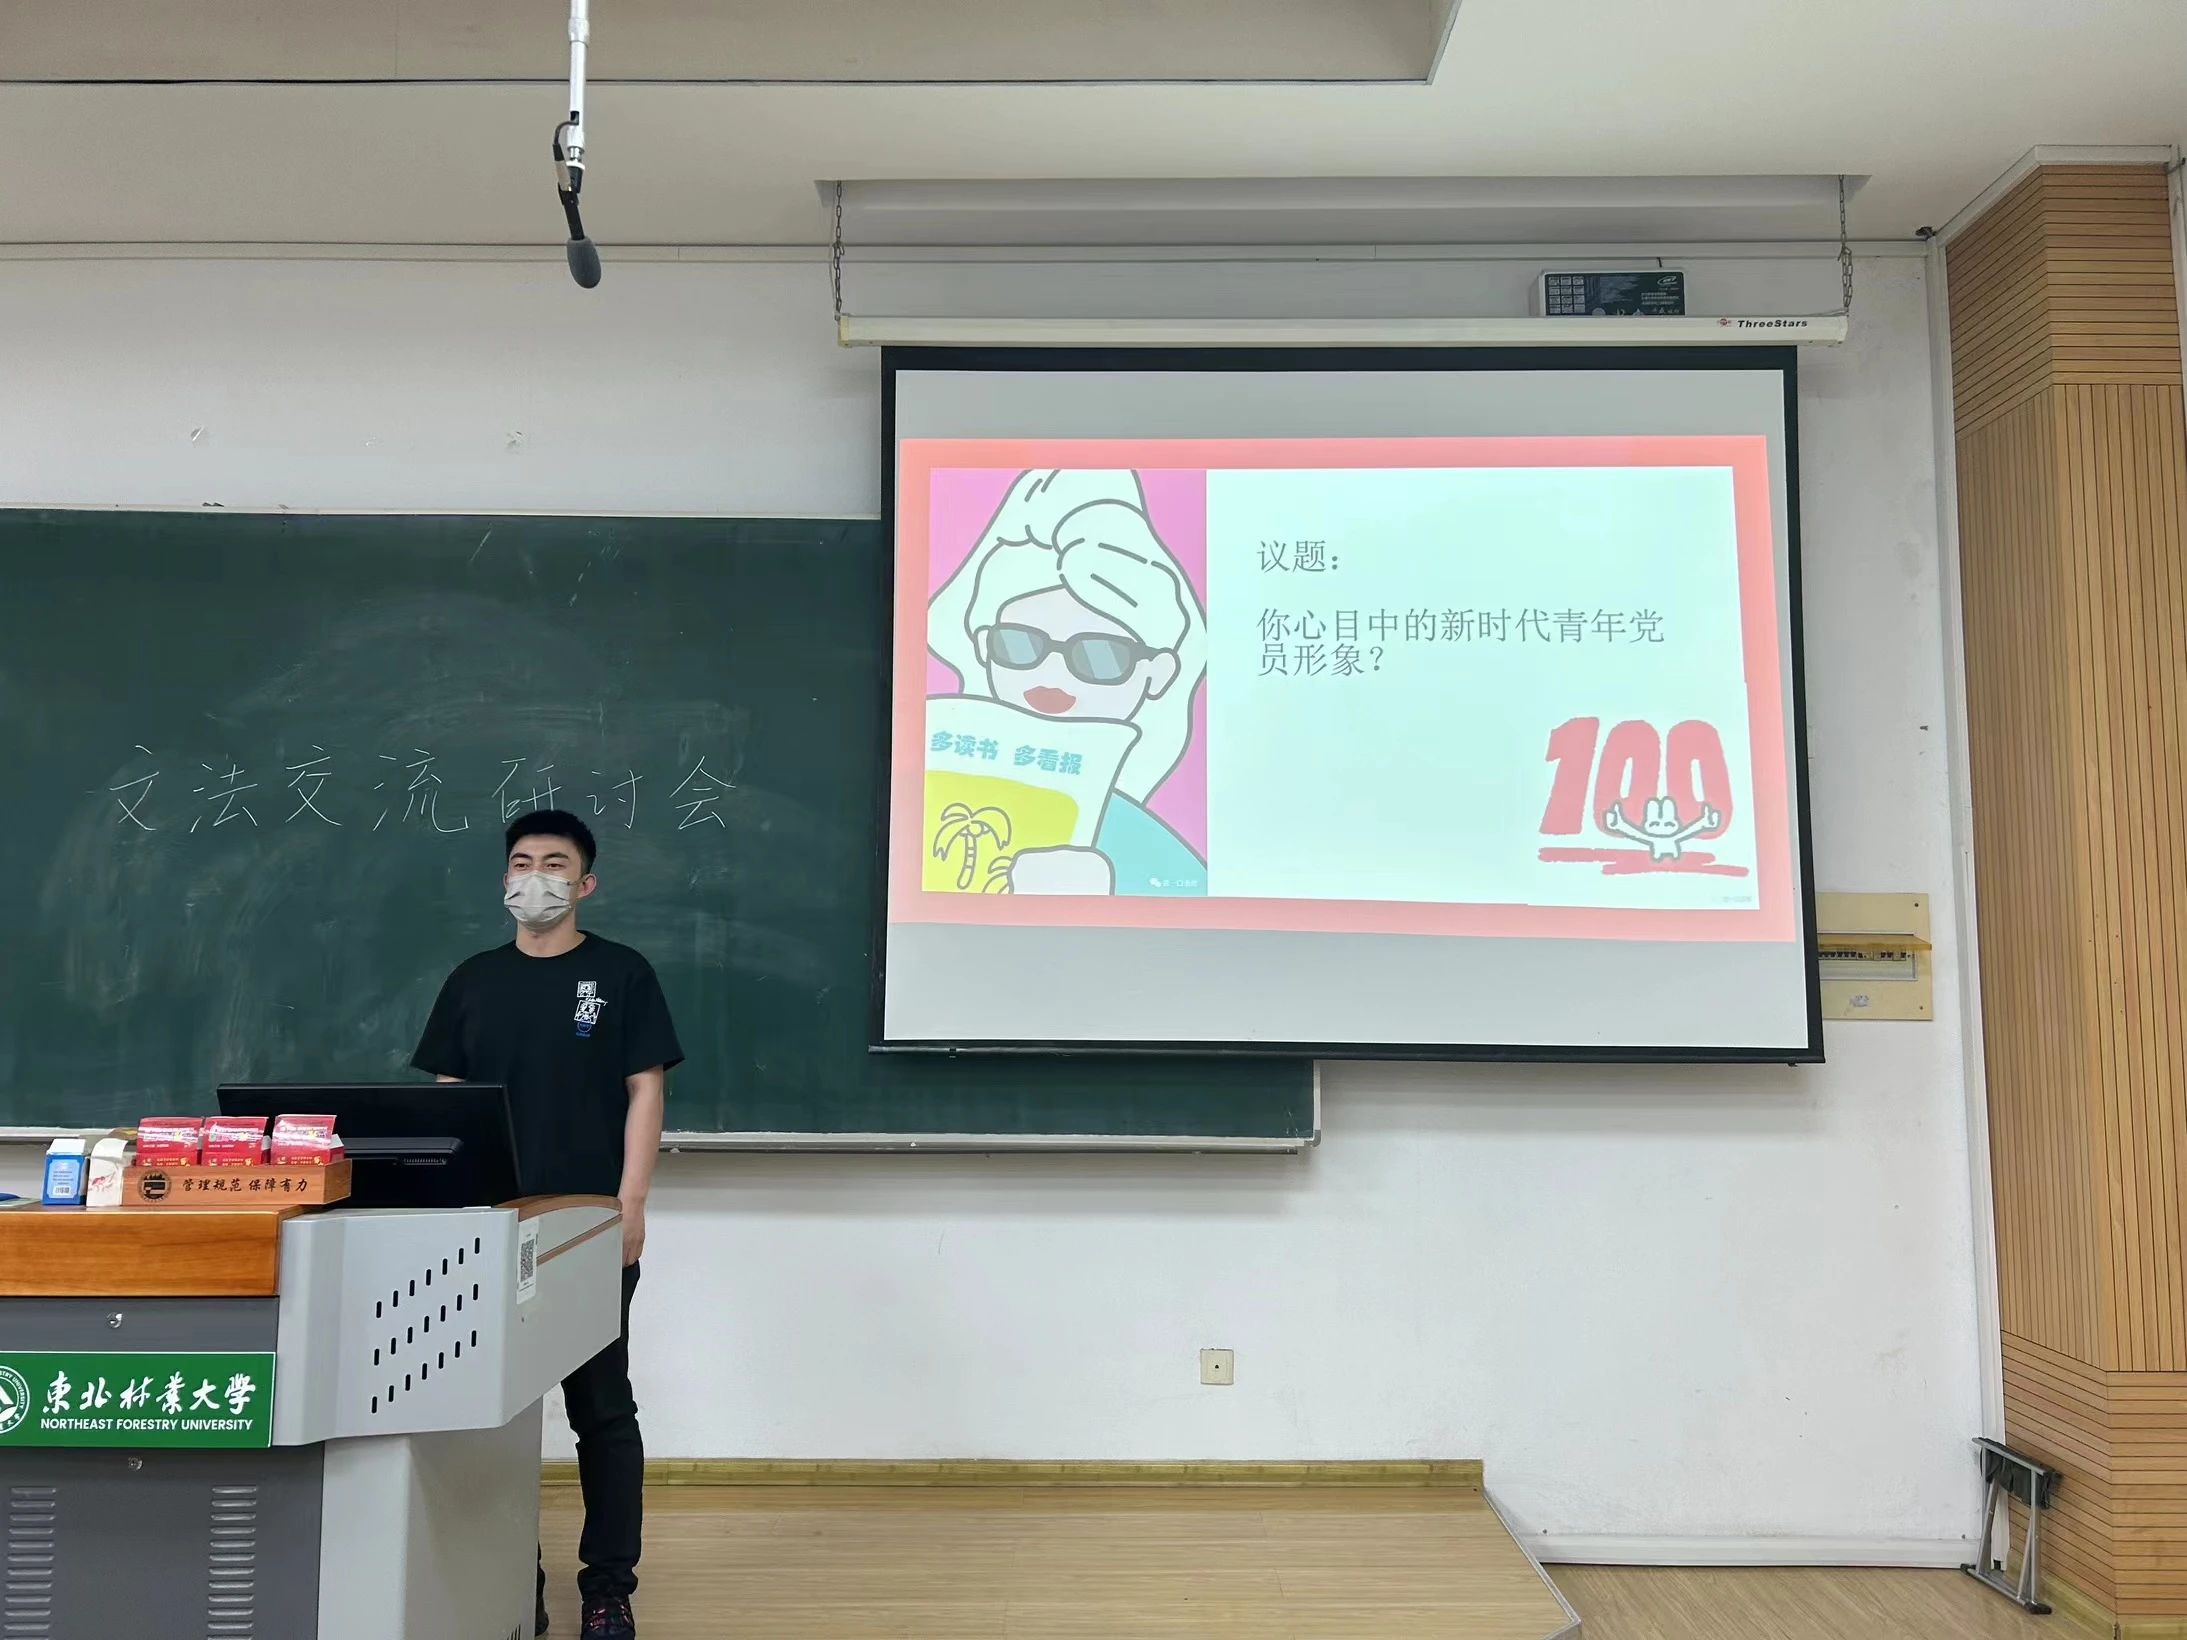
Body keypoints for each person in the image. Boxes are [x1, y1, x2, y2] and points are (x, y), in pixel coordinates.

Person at [412, 809, 681, 1640]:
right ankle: (509, 1577)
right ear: (505, 880)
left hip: (589, 1224)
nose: (536, 877)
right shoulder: (473, 980)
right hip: (490, 1227)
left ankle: (607, 1589)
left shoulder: (620, 973)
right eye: (523, 862)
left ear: (584, 883)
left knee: (601, 1409)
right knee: (489, 1415)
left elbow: (645, 1090)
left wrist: (631, 1204)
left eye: (555, 863)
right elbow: (446, 1104)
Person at [927, 468, 1209, 895]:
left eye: (1101, 656)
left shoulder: (1148, 848)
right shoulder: (928, 792)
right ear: (984, 646)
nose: (1051, 673)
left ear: (1159, 673)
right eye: (1019, 645)